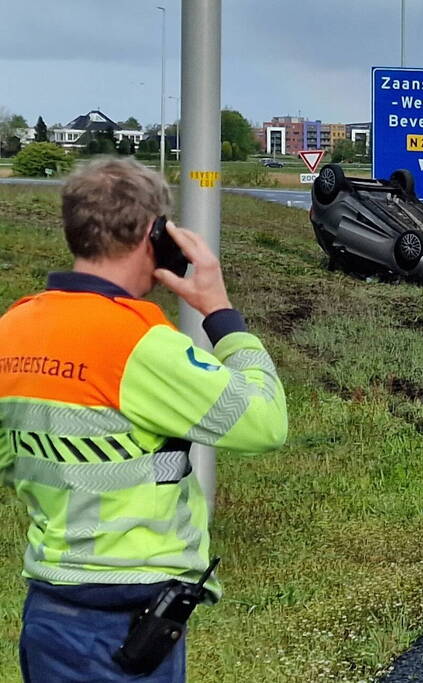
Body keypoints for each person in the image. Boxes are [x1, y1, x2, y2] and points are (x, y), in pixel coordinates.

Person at [0, 157, 288, 681]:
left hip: (48, 607)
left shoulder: (13, 329)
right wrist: (221, 312)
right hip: (128, 623)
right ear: (154, 233)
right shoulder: (140, 345)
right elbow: (265, 422)